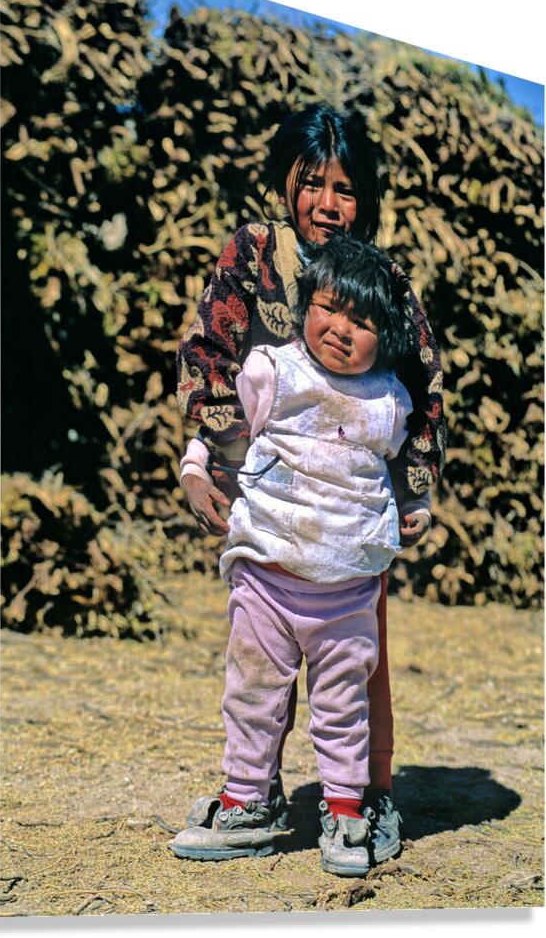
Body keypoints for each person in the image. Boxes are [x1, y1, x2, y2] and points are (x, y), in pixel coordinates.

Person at [176, 103, 445, 863]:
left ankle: (366, 798)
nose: (328, 203)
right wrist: (207, 461)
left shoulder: (382, 280)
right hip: (268, 499)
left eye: (346, 189)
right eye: (312, 183)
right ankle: (251, 795)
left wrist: (414, 488)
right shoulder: (253, 254)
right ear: (286, 183)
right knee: (258, 660)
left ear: (367, 198)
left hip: (350, 507)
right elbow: (211, 353)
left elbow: (422, 387)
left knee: (354, 667)